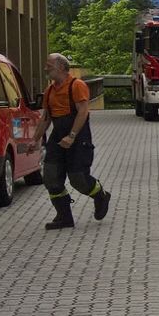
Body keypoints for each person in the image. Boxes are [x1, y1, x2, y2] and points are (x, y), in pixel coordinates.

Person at [36, 53, 111, 230]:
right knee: (51, 178)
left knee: (78, 179)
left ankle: (100, 195)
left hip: (78, 139)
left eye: (49, 66)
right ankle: (64, 217)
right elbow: (46, 118)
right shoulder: (49, 91)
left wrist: (72, 136)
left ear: (61, 67)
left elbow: (83, 112)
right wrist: (35, 140)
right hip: (57, 138)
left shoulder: (77, 86)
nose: (45, 69)